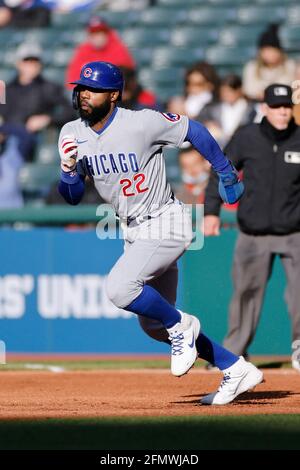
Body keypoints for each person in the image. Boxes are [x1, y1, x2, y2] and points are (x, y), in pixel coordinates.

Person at [58, 61, 264, 405]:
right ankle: (234, 368)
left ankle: (182, 324)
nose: (83, 95)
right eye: (80, 88)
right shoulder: (70, 133)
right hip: (134, 230)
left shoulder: (141, 121)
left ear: (113, 95)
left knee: (120, 288)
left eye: (91, 89)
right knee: (154, 325)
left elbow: (193, 130)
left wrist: (226, 171)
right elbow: (72, 198)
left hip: (165, 220)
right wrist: (67, 171)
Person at [204, 84, 300, 372]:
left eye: (286, 106)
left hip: (294, 231)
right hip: (253, 232)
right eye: (277, 106)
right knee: (245, 294)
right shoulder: (247, 137)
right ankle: (234, 353)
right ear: (265, 108)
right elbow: (221, 170)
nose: (283, 112)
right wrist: (211, 211)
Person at [0, 42, 76, 160]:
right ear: (18, 64)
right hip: (6, 133)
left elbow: (69, 112)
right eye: (27, 61)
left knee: (14, 145)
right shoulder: (8, 89)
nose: (31, 65)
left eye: (35, 61)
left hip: (29, 136)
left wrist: (47, 119)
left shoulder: (48, 88)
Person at [65, 16, 135, 90]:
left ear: (106, 33)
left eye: (100, 32)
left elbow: (127, 79)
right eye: (93, 33)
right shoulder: (83, 50)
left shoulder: (119, 49)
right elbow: (72, 79)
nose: (97, 37)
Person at [198, 74, 256, 148]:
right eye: (223, 92)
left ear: (239, 91)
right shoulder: (212, 109)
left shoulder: (251, 110)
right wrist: (208, 125)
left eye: (229, 91)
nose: (225, 95)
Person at [243, 24, 296, 102]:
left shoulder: (289, 65)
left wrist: (268, 92)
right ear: (261, 52)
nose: (271, 54)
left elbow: (290, 86)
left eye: (274, 50)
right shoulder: (252, 67)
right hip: (258, 103)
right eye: (267, 50)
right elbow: (249, 90)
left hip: (283, 103)